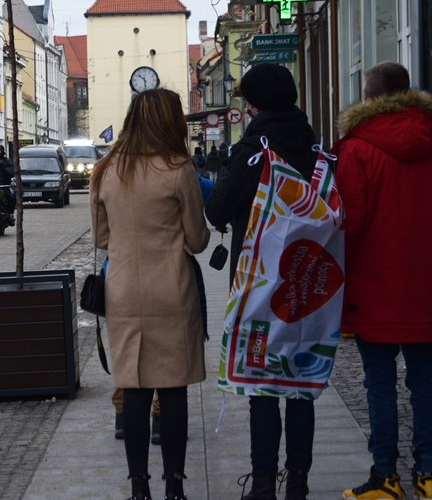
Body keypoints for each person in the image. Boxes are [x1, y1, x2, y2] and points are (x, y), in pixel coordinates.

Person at [336, 63, 432, 500]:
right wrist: (431, 256)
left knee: (379, 381)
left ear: (369, 99)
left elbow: (349, 224)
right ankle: (428, 475)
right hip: (421, 283)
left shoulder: (357, 150)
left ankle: (386, 476)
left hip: (372, 284)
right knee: (422, 376)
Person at [204, 63, 318, 500]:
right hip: (307, 282)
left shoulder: (254, 149)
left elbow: (217, 209)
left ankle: (264, 484)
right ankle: (299, 483)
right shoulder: (314, 147)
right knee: (301, 385)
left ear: (255, 106)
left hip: (258, 284)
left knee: (263, 386)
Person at [90, 88, 209, 500]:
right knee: (173, 389)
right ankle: (174, 485)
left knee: (134, 388)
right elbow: (197, 239)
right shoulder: (179, 168)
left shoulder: (106, 170)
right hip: (171, 289)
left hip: (123, 290)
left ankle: (139, 487)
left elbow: (101, 237)